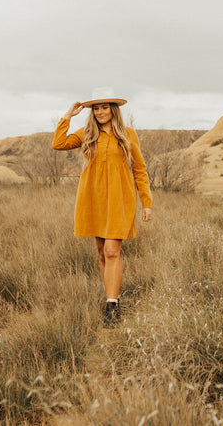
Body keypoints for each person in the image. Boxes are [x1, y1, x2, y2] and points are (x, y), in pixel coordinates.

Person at [52, 87, 152, 325]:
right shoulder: (86, 134)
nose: (100, 112)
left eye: (104, 107)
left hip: (120, 199)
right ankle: (111, 297)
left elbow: (140, 169)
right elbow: (58, 143)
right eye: (96, 108)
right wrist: (68, 115)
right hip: (92, 198)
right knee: (101, 252)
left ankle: (112, 305)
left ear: (113, 109)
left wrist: (146, 202)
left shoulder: (128, 135)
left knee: (111, 251)